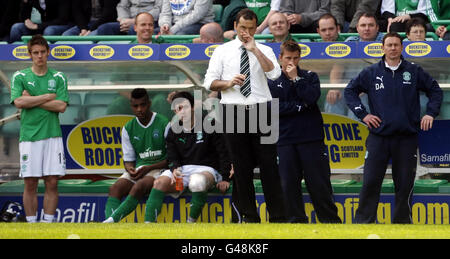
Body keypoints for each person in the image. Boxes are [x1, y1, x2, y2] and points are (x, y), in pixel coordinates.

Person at [344, 32, 443, 223]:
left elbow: (435, 90)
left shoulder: (413, 71)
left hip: (406, 137)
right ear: (383, 48)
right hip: (378, 137)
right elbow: (350, 91)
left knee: (404, 184)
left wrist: (430, 113)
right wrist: (363, 114)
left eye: (396, 45)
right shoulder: (371, 72)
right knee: (371, 182)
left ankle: (402, 223)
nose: (392, 48)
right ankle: (363, 222)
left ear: (402, 47)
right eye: (389, 45)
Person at [204, 9, 286, 223]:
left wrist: (255, 50)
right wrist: (228, 83)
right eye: (243, 28)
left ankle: (277, 217)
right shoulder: (222, 51)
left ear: (256, 28)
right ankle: (249, 217)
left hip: (262, 110)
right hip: (233, 111)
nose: (247, 32)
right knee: (241, 168)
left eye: (251, 28)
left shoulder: (265, 49)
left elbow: (275, 74)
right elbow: (209, 83)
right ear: (235, 26)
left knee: (269, 166)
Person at [268, 40, 342, 224]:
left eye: (295, 58)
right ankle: (296, 223)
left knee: (319, 184)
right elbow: (273, 108)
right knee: (289, 185)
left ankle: (331, 223)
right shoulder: (271, 81)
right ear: (280, 58)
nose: (291, 62)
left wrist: (296, 79)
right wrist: (300, 106)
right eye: (287, 58)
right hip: (285, 140)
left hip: (311, 138)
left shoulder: (309, 76)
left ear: (300, 57)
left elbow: (311, 97)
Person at [145, 91, 232, 223]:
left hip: (205, 170)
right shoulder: (173, 130)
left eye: (184, 107)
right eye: (177, 109)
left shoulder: (209, 124)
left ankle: (190, 223)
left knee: (197, 182)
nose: (181, 112)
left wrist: (225, 178)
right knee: (159, 183)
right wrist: (175, 169)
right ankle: (148, 226)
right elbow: (172, 155)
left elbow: (223, 152)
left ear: (192, 107)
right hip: (182, 172)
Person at [10, 34, 69, 223]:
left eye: (43, 52)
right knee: (30, 182)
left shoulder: (59, 77)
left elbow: (61, 106)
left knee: (52, 182)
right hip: (29, 137)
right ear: (30, 55)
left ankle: (48, 224)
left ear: (48, 53)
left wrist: (32, 99)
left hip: (52, 136)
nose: (40, 56)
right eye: (35, 53)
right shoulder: (20, 76)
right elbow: (19, 102)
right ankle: (31, 226)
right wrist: (46, 97)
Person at [103, 88, 170, 223]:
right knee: (115, 188)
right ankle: (112, 230)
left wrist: (149, 168)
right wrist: (130, 169)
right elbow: (128, 160)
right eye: (135, 106)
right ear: (131, 107)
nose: (140, 109)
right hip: (140, 169)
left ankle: (110, 222)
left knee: (139, 186)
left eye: (143, 105)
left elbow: (172, 159)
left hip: (160, 169)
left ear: (149, 104)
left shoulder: (164, 123)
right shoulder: (128, 128)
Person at [96, 0, 162, 35]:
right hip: (128, 21)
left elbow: (158, 9)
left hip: (149, 22)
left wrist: (136, 21)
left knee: (133, 29)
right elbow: (122, 6)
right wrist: (123, 20)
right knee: (104, 28)